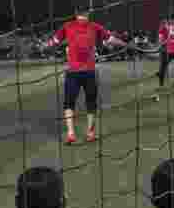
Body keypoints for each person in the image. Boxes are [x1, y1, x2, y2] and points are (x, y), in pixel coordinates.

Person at [48, 11, 125, 144]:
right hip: (89, 71)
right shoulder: (94, 26)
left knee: (68, 103)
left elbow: (54, 41)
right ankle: (90, 133)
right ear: (88, 13)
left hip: (73, 72)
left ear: (76, 13)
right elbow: (111, 40)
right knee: (91, 104)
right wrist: (125, 44)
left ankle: (71, 134)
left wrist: (46, 45)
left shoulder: (68, 26)